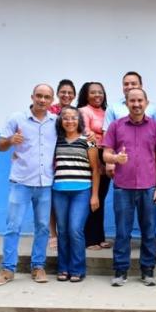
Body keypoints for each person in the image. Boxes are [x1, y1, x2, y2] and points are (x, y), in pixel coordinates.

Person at [0, 84, 57, 286]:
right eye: (39, 96)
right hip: (21, 181)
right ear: (32, 96)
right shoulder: (16, 119)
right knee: (13, 226)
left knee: (43, 227)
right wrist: (11, 140)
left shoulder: (56, 122)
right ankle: (7, 270)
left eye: (47, 97)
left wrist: (91, 140)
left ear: (51, 100)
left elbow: (76, 136)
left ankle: (38, 267)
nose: (42, 100)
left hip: (45, 183)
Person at [103, 88, 156, 287]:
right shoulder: (115, 126)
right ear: (127, 104)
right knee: (123, 231)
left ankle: (147, 270)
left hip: (149, 187)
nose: (136, 104)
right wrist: (115, 158)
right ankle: (120, 271)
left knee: (149, 231)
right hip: (123, 187)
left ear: (146, 103)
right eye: (132, 101)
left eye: (140, 100)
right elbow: (105, 154)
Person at [52, 106, 100, 282]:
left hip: (82, 191)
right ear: (60, 121)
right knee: (63, 231)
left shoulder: (89, 141)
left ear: (79, 120)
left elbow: (96, 170)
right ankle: (63, 268)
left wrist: (94, 195)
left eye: (73, 118)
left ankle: (77, 269)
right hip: (59, 191)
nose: (69, 121)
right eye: (66, 118)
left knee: (75, 230)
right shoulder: (55, 140)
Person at [77, 82, 112, 250]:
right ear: (86, 95)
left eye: (100, 92)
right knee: (92, 196)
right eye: (93, 92)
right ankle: (89, 239)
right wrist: (98, 161)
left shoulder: (106, 112)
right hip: (92, 154)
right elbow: (87, 134)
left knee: (101, 197)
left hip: (105, 154)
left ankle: (99, 236)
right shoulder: (84, 111)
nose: (97, 95)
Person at [48, 79, 77, 250]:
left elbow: (83, 130)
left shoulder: (76, 112)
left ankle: (67, 233)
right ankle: (53, 234)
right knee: (52, 199)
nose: (66, 95)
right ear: (58, 94)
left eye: (70, 92)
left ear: (74, 95)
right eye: (63, 92)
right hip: (50, 159)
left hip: (68, 159)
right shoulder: (50, 111)